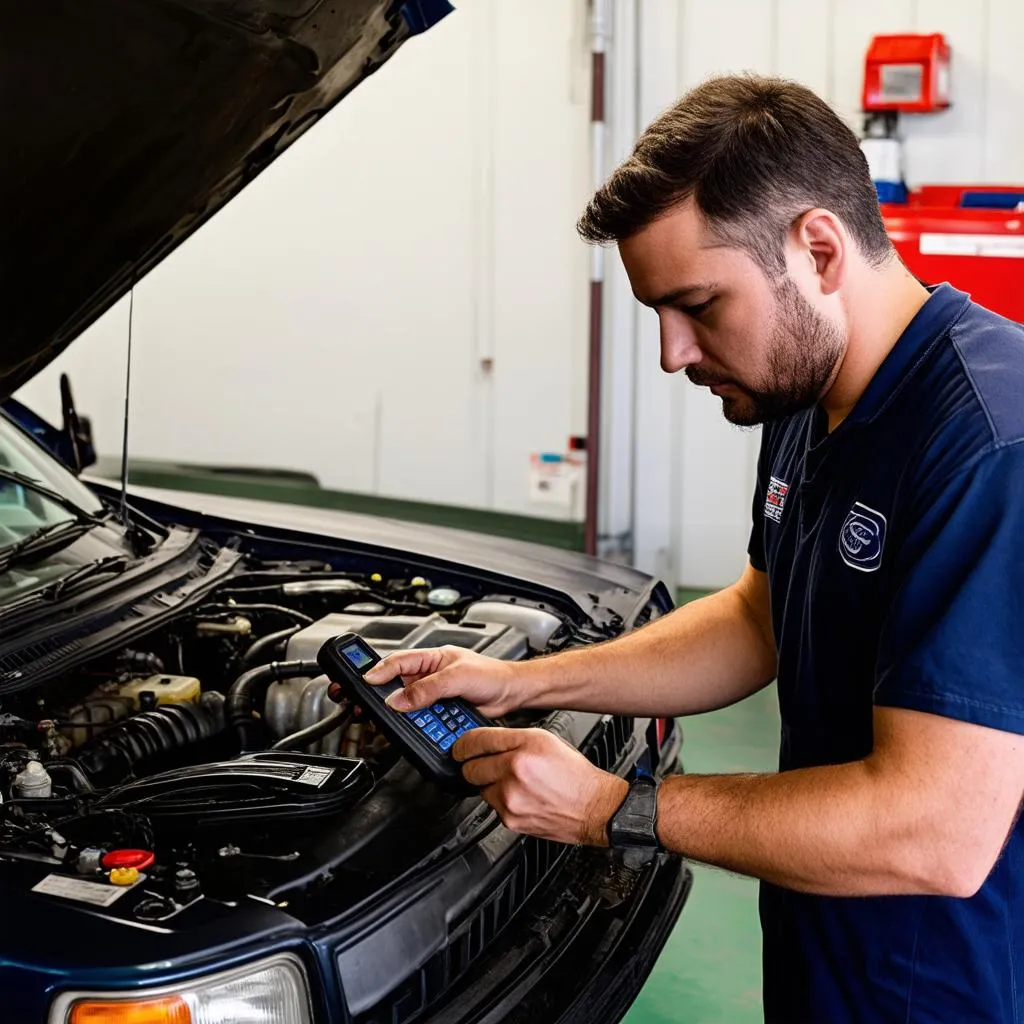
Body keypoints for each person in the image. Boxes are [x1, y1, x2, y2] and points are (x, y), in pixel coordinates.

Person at [367, 74, 1024, 1023]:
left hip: (935, 987)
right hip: (822, 947)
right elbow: (762, 615)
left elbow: (936, 830)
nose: (675, 353)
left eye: (700, 305)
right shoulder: (807, 390)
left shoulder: (988, 444)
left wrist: (613, 809)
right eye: (658, 316)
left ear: (820, 249)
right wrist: (526, 682)